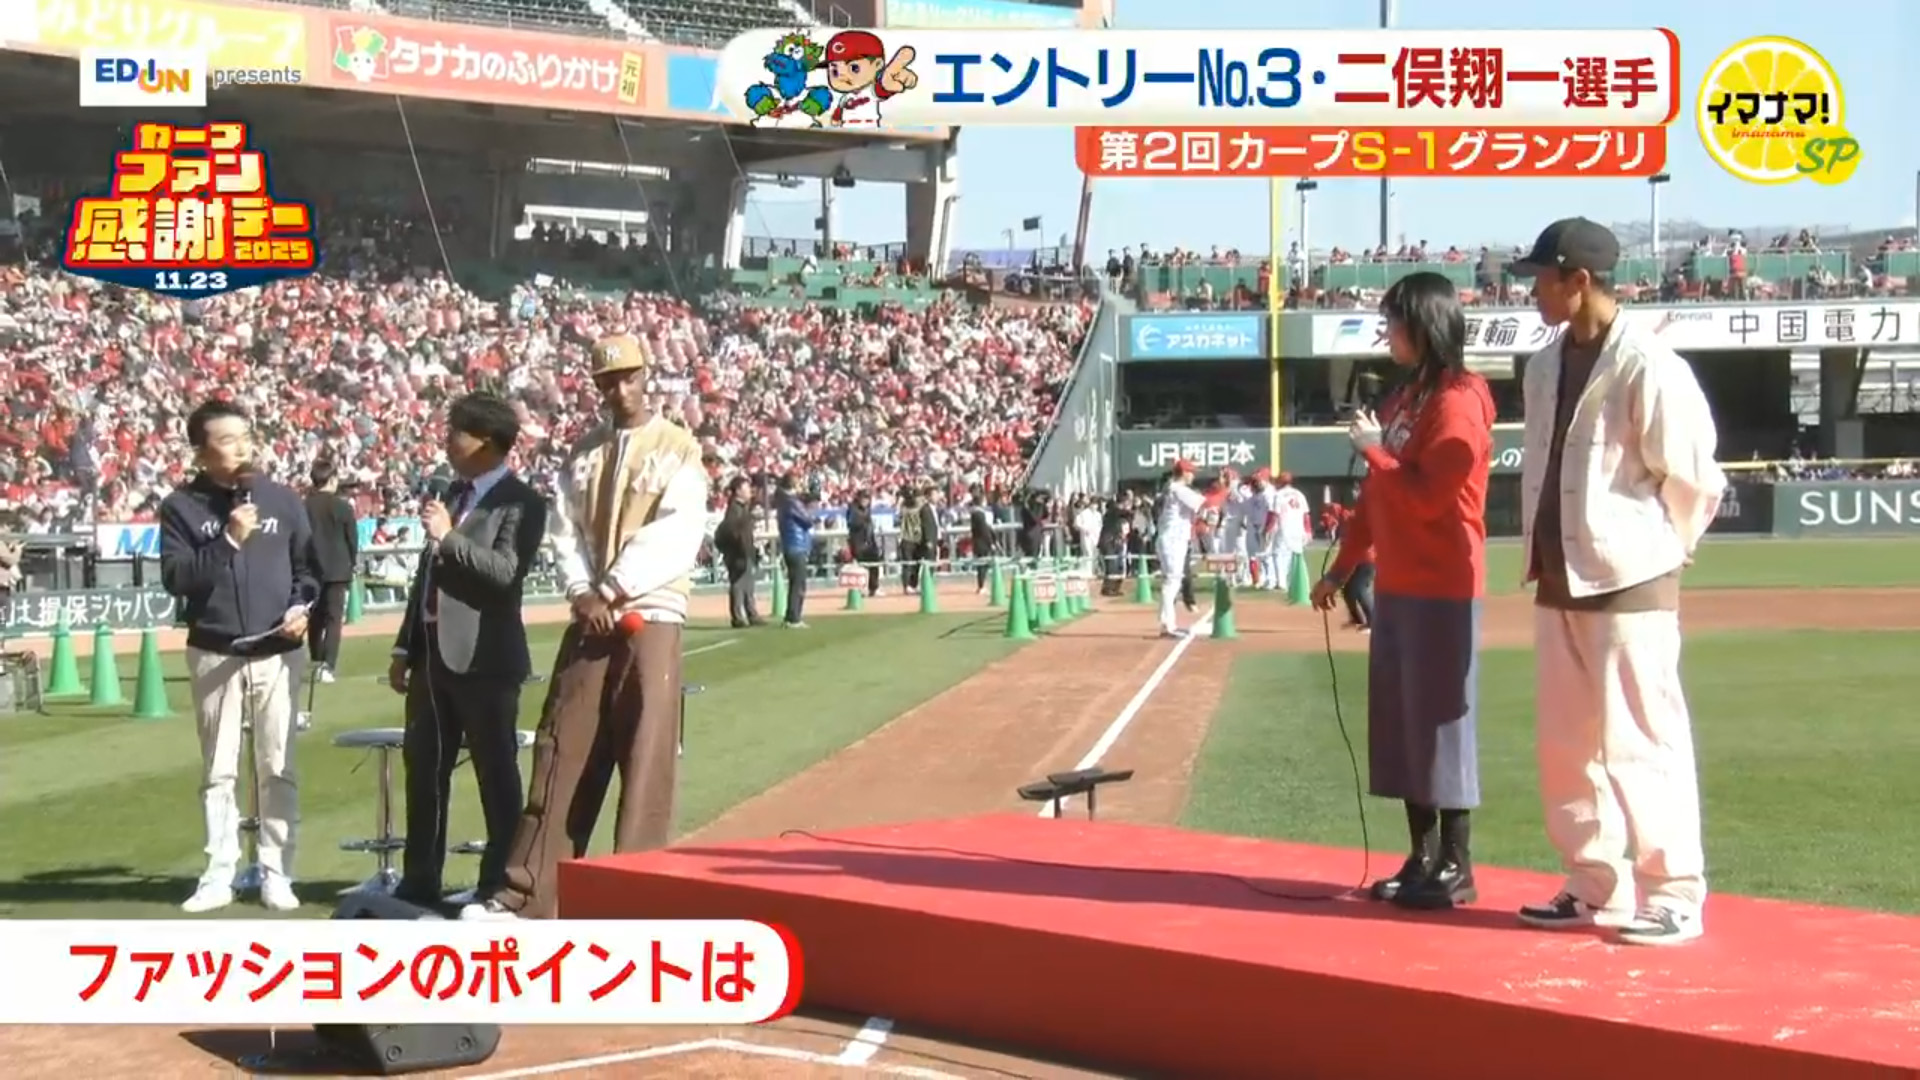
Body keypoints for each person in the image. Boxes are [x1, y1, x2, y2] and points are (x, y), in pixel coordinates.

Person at [1508, 218, 1724, 946]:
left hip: (1631, 576)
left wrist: (1666, 549)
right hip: (1556, 573)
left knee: (1643, 739)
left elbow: (1691, 476)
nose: (1533, 290)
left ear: (1580, 279)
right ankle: (1593, 883)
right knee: (1566, 745)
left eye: (1542, 277)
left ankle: (1674, 892)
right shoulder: (1543, 365)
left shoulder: (1649, 363)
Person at [467, 334, 709, 920]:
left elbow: (677, 530)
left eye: (627, 378)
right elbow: (564, 530)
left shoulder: (679, 449)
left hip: (650, 613)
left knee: (645, 760)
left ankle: (635, 900)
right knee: (561, 747)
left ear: (645, 376)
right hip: (590, 614)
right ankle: (529, 894)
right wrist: (580, 591)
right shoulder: (584, 452)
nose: (619, 390)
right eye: (608, 381)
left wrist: (612, 587)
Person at [1310, 271, 1496, 911]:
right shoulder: (1406, 398)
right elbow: (1378, 499)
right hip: (1399, 581)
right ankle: (1421, 857)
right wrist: (1341, 569)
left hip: (1444, 583)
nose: (1385, 333)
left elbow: (1426, 498)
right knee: (1403, 725)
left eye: (1393, 321)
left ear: (1424, 324)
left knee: (1441, 723)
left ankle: (1457, 864)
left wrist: (1373, 451)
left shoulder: (1459, 401)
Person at [387, 393, 548, 909]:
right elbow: (426, 577)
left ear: (487, 441)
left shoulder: (521, 502)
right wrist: (404, 645)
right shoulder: (453, 495)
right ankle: (420, 880)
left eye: (456, 431)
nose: (447, 441)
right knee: (424, 771)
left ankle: (499, 883)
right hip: (432, 657)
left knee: (494, 775)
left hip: (486, 659)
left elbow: (504, 573)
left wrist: (449, 537)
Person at [157, 399, 318, 913]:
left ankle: (277, 872)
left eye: (245, 436)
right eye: (226, 440)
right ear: (200, 453)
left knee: (277, 766)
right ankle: (219, 873)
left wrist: (301, 607)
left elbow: (308, 572)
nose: (241, 447)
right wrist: (228, 539)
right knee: (218, 771)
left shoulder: (282, 500)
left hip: (278, 651)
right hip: (215, 652)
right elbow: (177, 578)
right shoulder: (182, 507)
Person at [302, 459, 358, 685]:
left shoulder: (304, 506)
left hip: (311, 570)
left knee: (314, 618)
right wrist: (352, 564)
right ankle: (328, 665)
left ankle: (316, 660)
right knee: (334, 619)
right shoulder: (343, 507)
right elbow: (352, 540)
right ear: (332, 479)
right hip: (338, 570)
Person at [1155, 460, 1204, 638]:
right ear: (1183, 473)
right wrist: (1220, 489)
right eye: (1191, 472)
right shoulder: (1178, 488)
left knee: (1172, 581)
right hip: (1173, 539)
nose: (1193, 475)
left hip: (1173, 538)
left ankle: (1167, 623)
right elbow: (1203, 503)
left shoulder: (1172, 488)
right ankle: (1167, 625)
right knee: (1172, 581)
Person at [715, 476, 765, 627]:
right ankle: (738, 617)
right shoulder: (734, 510)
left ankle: (751, 613)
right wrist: (741, 548)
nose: (749, 491)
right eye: (746, 488)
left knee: (748, 584)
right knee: (738, 584)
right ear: (738, 491)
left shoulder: (742, 509)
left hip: (744, 551)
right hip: (738, 552)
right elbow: (734, 532)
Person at [774, 473, 815, 627]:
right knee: (798, 584)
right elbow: (808, 520)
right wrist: (809, 507)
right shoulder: (791, 502)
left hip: (791, 545)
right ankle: (794, 617)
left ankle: (791, 616)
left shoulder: (784, 501)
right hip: (796, 545)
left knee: (795, 583)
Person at [846, 490, 883, 597]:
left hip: (869, 541)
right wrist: (863, 520)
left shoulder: (867, 510)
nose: (865, 501)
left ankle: (874, 588)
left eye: (867, 498)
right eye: (863, 498)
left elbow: (869, 526)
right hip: (858, 542)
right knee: (861, 566)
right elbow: (851, 523)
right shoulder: (853, 509)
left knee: (874, 565)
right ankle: (861, 588)